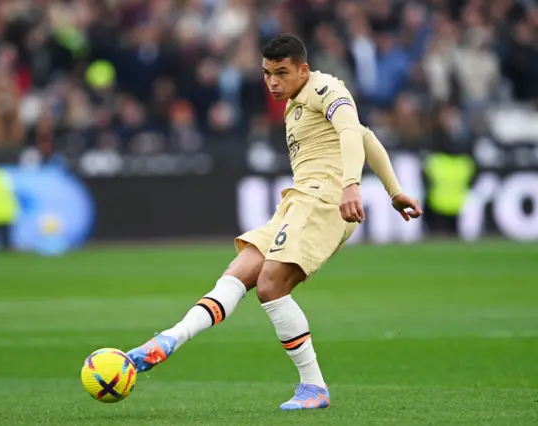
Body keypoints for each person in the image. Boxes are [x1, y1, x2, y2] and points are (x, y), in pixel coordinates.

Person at [126, 34, 422, 411]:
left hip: (326, 199)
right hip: (299, 199)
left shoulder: (326, 88)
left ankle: (314, 386)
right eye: (267, 73)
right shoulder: (296, 103)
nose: (273, 82)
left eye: (281, 73)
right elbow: (369, 138)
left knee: (270, 285)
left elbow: (352, 132)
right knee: (238, 272)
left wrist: (351, 184)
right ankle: (169, 340)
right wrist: (395, 191)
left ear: (303, 69)